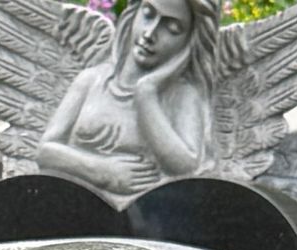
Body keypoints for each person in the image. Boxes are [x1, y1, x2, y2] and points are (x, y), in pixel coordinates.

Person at [36, 0, 215, 199]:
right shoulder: (91, 80)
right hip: (76, 209)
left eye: (172, 29)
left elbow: (186, 167)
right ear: (133, 14)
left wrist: (146, 94)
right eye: (147, 15)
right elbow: (45, 151)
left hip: (150, 219)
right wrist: (102, 171)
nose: (149, 34)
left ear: (189, 42)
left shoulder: (185, 96)